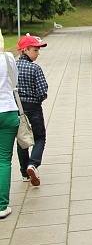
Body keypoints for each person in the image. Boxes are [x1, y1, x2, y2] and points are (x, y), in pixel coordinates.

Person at [16, 33, 48, 187]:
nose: (38, 53)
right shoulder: (35, 68)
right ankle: (33, 164)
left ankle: (24, 173)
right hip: (33, 108)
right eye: (35, 50)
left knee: (22, 140)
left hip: (16, 108)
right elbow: (43, 91)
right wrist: (37, 100)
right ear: (25, 50)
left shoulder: (13, 67)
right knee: (40, 137)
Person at [0, 30, 20, 219]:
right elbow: (14, 82)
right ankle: (2, 205)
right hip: (7, 110)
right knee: (3, 160)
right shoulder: (7, 58)